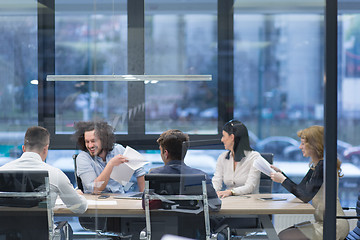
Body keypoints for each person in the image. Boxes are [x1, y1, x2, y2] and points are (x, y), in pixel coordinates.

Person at [270, 125, 349, 240]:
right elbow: (301, 189)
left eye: (303, 143)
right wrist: (282, 175)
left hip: (334, 226)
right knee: (284, 233)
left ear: (314, 145)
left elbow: (305, 196)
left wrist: (282, 180)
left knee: (284, 236)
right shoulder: (317, 165)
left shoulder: (324, 166)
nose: (299, 147)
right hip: (324, 222)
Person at [146, 129, 222, 239]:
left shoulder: (154, 175)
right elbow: (216, 205)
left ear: (165, 153)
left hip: (162, 235)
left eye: (160, 150)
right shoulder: (201, 177)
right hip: (194, 236)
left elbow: (146, 204)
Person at [0, 126, 88, 213]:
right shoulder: (55, 174)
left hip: (7, 227)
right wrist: (77, 195)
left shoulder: (2, 172)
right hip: (40, 227)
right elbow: (80, 208)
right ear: (45, 149)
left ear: (23, 148)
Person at [72, 121, 145, 194]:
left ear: (103, 140)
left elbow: (139, 169)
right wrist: (111, 164)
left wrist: (143, 196)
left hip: (120, 198)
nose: (90, 145)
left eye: (93, 141)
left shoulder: (118, 149)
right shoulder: (83, 158)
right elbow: (95, 189)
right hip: (96, 201)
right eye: (87, 142)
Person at [212, 120, 261, 198]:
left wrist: (231, 192)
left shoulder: (254, 157)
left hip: (250, 203)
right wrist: (211, 193)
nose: (222, 140)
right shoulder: (223, 157)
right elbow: (216, 181)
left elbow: (250, 186)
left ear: (232, 137)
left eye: (224, 136)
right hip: (229, 201)